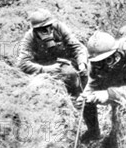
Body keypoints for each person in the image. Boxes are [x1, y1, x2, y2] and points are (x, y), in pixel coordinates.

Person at [17, 8, 99, 136]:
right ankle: (68, 126)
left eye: (49, 27)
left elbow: (78, 47)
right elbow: (22, 63)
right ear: (35, 30)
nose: (48, 31)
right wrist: (46, 69)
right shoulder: (30, 38)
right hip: (48, 69)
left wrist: (82, 63)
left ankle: (93, 131)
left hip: (68, 63)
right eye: (43, 29)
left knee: (85, 92)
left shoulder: (59, 28)